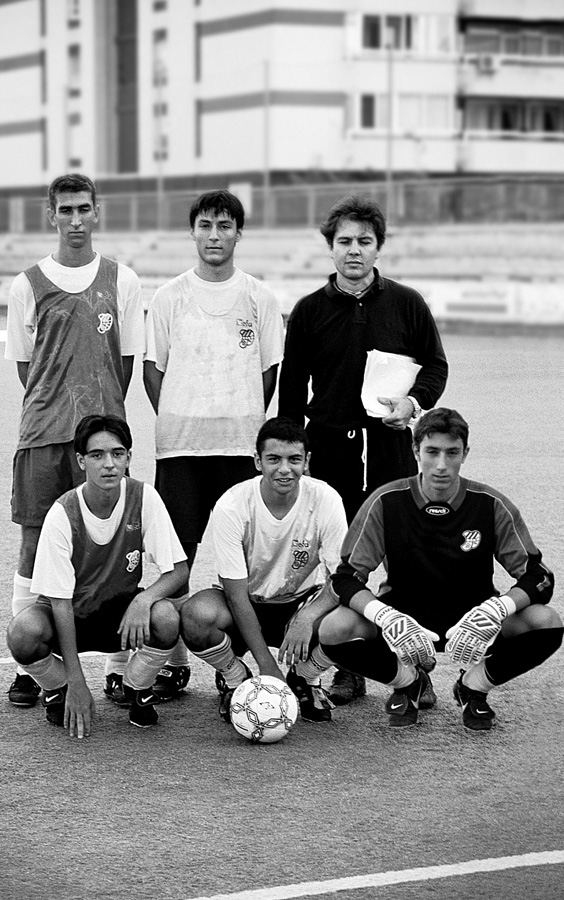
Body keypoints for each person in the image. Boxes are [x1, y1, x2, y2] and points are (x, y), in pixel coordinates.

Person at [278, 194, 448, 706]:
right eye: (345, 242)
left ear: (379, 248)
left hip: (392, 451)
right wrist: (296, 451)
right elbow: (291, 390)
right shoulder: (308, 311)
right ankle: (347, 664)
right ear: (331, 249)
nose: (354, 250)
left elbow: (436, 366)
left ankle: (418, 669)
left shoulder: (407, 304)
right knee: (343, 563)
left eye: (364, 242)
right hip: (331, 453)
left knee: (403, 562)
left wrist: (414, 403)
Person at [301, 408, 562, 732]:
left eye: (451, 453)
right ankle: (407, 681)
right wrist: (386, 617)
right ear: (415, 451)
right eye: (432, 452)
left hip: (475, 621)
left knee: (546, 623)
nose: (441, 464)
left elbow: (540, 577)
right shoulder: (386, 501)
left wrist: (497, 609)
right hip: (402, 622)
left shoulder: (490, 503)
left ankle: (474, 686)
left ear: (464, 453)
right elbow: (345, 578)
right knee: (334, 628)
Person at [4, 173, 145, 709]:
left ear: (98, 210)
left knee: (114, 543)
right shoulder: (26, 284)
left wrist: (98, 418)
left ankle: (116, 663)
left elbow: (126, 361)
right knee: (36, 542)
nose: (77, 220)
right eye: (66, 210)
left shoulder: (122, 280)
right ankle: (30, 668)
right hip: (42, 434)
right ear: (52, 214)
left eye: (84, 208)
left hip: (102, 439)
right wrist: (59, 406)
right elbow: (25, 365)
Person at [143, 190, 285, 701]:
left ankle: (237, 668)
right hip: (179, 450)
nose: (215, 236)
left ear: (239, 234)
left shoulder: (260, 298)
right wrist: (185, 415)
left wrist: (238, 420)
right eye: (205, 226)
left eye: (225, 226)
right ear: (193, 232)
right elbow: (152, 370)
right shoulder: (168, 296)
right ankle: (171, 663)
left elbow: (269, 372)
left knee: (239, 561)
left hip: (238, 449)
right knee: (176, 559)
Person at [7, 415, 188, 737]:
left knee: (165, 615)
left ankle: (136, 688)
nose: (109, 464)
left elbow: (178, 570)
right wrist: (77, 682)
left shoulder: (143, 497)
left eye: (118, 454)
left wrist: (144, 598)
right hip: (71, 619)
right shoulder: (63, 514)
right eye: (97, 455)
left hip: (119, 617)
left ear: (129, 458)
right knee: (23, 631)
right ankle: (58, 689)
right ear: (81, 461)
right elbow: (60, 604)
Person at [179, 417, 348, 723]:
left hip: (301, 604)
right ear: (258, 461)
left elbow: (343, 578)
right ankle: (235, 678)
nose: (284, 469)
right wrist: (267, 667)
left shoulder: (326, 498)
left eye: (294, 459)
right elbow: (236, 596)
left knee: (355, 618)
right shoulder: (232, 505)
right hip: (248, 604)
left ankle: (306, 677)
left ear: (307, 461)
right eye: (274, 459)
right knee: (196, 615)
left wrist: (308, 617)